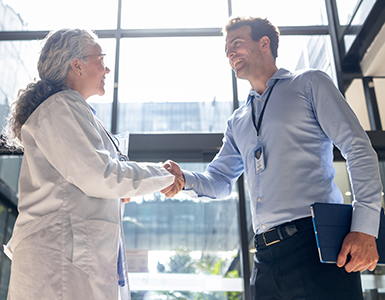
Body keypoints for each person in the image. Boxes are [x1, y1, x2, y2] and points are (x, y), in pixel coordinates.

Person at [161, 16, 383, 299]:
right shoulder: (237, 121)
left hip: (313, 244)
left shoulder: (309, 83)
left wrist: (365, 229)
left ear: (264, 43)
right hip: (265, 258)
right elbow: (219, 180)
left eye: (237, 43)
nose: (229, 53)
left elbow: (358, 148)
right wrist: (184, 179)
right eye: (226, 49)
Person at [3, 28, 182, 300]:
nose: (107, 68)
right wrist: (164, 174)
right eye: (101, 58)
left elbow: (86, 179)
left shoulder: (71, 109)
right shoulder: (61, 107)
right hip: (58, 260)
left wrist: (114, 194)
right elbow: (100, 174)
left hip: (65, 257)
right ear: (77, 65)